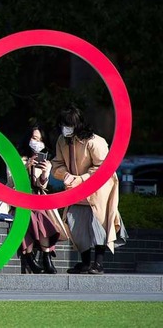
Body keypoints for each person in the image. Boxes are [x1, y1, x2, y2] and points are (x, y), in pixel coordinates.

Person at [51, 105, 128, 275]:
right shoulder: (61, 141)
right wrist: (64, 175)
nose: (65, 128)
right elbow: (57, 164)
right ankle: (85, 262)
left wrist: (81, 179)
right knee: (75, 225)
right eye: (63, 125)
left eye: (68, 124)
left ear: (77, 124)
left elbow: (103, 167)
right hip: (75, 191)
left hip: (98, 190)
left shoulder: (95, 141)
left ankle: (98, 263)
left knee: (98, 225)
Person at [0, 126, 62, 274]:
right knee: (29, 216)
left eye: (40, 140)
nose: (37, 143)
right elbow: (11, 181)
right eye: (34, 138)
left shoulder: (44, 160)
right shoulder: (15, 158)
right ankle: (30, 257)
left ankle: (45, 257)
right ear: (28, 139)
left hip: (37, 199)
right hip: (17, 199)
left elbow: (42, 185)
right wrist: (26, 166)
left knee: (38, 213)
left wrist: (45, 173)